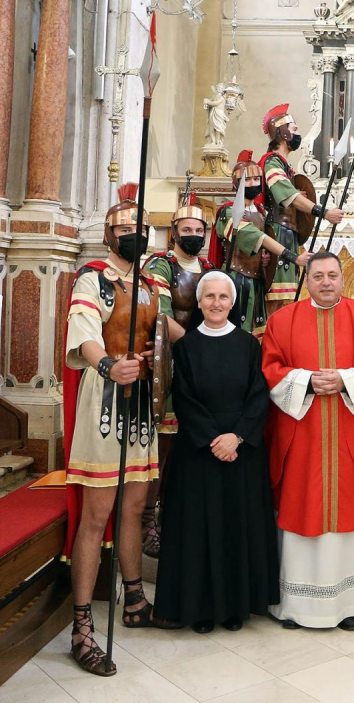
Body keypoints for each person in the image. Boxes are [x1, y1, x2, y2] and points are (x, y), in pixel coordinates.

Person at [261, 251, 354, 630]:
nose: (326, 282)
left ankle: (350, 603)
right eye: (318, 275)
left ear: (344, 279)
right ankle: (296, 603)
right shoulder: (282, 321)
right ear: (306, 280)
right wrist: (307, 381)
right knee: (300, 505)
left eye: (332, 275)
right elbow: (270, 370)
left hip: (352, 434)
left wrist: (345, 380)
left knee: (350, 509)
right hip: (302, 436)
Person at [61, 183, 170, 677]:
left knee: (135, 505)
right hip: (105, 402)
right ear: (109, 236)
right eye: (126, 229)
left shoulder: (150, 285)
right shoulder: (94, 279)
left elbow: (163, 336)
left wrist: (158, 354)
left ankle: (134, 601)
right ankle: (81, 629)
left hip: (143, 406)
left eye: (140, 229)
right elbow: (83, 332)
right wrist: (108, 366)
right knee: (96, 512)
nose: (135, 235)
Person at [153, 271, 279, 634]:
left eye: (223, 297)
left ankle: (235, 607)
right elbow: (185, 399)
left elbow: (259, 395)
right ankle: (201, 608)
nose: (216, 303)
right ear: (199, 302)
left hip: (242, 452)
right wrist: (215, 438)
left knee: (237, 527)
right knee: (198, 530)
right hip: (199, 451)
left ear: (232, 302)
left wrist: (237, 436)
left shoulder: (250, 345)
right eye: (209, 297)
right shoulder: (187, 346)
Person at [140, 200, 214, 557]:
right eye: (187, 230)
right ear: (174, 232)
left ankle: (176, 518)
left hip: (199, 362)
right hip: (170, 361)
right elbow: (160, 316)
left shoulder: (210, 267)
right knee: (164, 448)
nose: (194, 236)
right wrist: (197, 349)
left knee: (190, 447)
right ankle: (146, 523)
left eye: (199, 231)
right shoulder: (161, 265)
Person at [260, 103, 344, 317]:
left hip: (288, 233)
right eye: (294, 129)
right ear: (282, 132)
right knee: (277, 297)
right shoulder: (272, 162)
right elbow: (289, 197)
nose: (297, 134)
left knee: (288, 298)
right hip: (277, 231)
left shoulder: (286, 166)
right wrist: (324, 212)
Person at [213, 150, 283, 339]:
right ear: (237, 184)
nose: (253, 184)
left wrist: (267, 257)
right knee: (235, 331)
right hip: (237, 277)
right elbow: (251, 237)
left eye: (256, 179)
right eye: (248, 180)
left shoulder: (261, 212)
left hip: (257, 281)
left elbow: (267, 238)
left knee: (258, 333)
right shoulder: (227, 212)